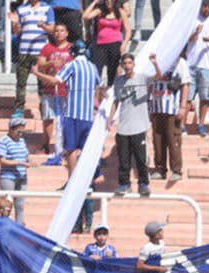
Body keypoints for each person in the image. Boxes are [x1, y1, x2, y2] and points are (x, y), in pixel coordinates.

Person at [43, 40, 100, 184]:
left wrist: (37, 73)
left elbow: (55, 81)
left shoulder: (71, 65)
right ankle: (89, 179)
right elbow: (98, 85)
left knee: (71, 150)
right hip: (88, 115)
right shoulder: (93, 67)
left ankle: (73, 182)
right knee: (85, 149)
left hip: (73, 114)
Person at [110, 53, 152, 196]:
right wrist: (110, 119)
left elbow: (158, 76)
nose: (127, 66)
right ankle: (124, 184)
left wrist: (155, 62)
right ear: (122, 65)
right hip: (123, 127)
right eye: (125, 63)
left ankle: (143, 184)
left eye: (130, 63)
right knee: (124, 160)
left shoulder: (142, 78)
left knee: (141, 159)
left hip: (139, 126)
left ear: (133, 64)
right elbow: (116, 101)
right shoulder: (119, 81)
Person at [32, 22, 73, 161]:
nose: (58, 33)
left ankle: (66, 146)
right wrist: (51, 63)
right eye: (56, 31)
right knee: (48, 118)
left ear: (67, 33)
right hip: (49, 89)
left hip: (66, 89)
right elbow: (39, 64)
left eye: (62, 30)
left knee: (66, 119)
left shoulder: (71, 48)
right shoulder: (47, 48)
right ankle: (46, 145)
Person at [149, 51, 191, 183]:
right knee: (157, 140)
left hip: (172, 107)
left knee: (173, 139)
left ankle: (176, 170)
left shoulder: (180, 62)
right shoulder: (154, 60)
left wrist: (183, 106)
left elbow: (185, 84)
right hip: (156, 106)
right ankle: (160, 168)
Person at [186, 0, 209, 137]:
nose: (206, 9)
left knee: (204, 96)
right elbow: (185, 39)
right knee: (187, 97)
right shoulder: (192, 18)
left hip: (206, 65)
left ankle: (201, 124)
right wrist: (196, 34)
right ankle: (183, 125)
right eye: (204, 6)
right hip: (190, 63)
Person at [12, 0, 54, 118]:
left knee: (42, 83)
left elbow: (52, 29)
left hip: (41, 53)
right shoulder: (21, 9)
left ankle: (44, 108)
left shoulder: (47, 8)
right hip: (24, 51)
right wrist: (15, 24)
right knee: (21, 82)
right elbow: (17, 33)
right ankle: (19, 109)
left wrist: (43, 25)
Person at [83, 0, 130, 86]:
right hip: (100, 44)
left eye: (111, 1)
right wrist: (94, 3)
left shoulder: (121, 12)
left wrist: (124, 43)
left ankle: (110, 89)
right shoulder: (100, 10)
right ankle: (96, 90)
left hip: (115, 44)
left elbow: (128, 31)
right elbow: (85, 16)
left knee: (112, 69)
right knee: (97, 68)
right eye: (107, 1)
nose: (109, 3)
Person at [0, 117, 32, 226]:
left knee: (20, 205)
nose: (20, 134)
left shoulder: (22, 141)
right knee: (7, 205)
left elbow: (26, 155)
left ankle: (19, 227)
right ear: (11, 129)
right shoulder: (4, 141)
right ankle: (4, 226)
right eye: (18, 131)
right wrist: (20, 163)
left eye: (22, 132)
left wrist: (29, 161)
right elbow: (2, 160)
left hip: (22, 177)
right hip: (8, 177)